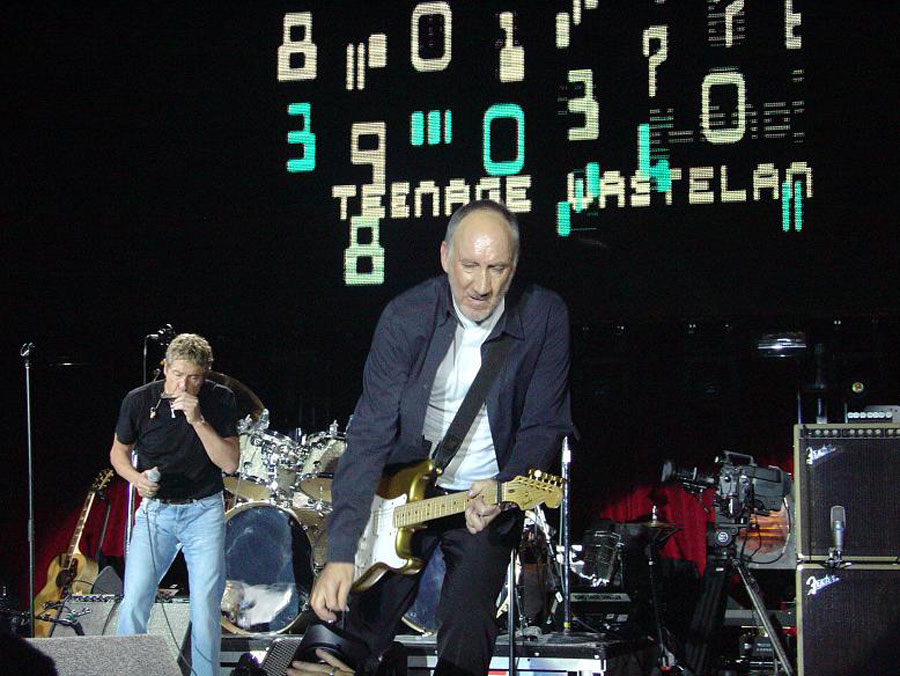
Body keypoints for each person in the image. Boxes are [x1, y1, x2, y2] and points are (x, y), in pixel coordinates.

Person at [291, 200, 572, 676]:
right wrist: (341, 554)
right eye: (469, 266)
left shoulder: (544, 315)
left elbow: (544, 424)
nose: (481, 286)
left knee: (467, 624)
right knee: (344, 637)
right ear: (445, 257)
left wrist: (506, 489)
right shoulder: (405, 317)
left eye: (497, 268)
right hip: (404, 486)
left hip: (486, 492)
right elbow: (370, 434)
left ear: (514, 266)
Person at [110, 333, 239, 676]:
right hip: (157, 514)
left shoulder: (219, 399)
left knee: (205, 607)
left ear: (205, 375)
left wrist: (198, 420)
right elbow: (118, 453)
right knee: (135, 599)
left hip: (203, 511)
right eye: (178, 374)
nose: (184, 383)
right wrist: (135, 479)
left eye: (194, 377)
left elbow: (229, 463)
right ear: (165, 368)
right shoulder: (139, 401)